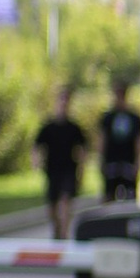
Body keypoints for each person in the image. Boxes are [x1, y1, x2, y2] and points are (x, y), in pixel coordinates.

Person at [32, 88, 87, 235]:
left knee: (65, 202)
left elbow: (81, 151)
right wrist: (36, 161)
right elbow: (37, 145)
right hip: (52, 171)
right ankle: (56, 230)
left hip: (68, 170)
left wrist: (82, 172)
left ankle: (64, 233)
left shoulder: (74, 128)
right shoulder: (48, 127)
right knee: (52, 207)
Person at [96, 78, 140, 202]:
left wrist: (138, 161)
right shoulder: (107, 118)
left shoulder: (134, 118)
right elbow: (102, 139)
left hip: (128, 162)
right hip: (111, 162)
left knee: (130, 196)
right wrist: (100, 159)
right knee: (109, 195)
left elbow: (138, 141)